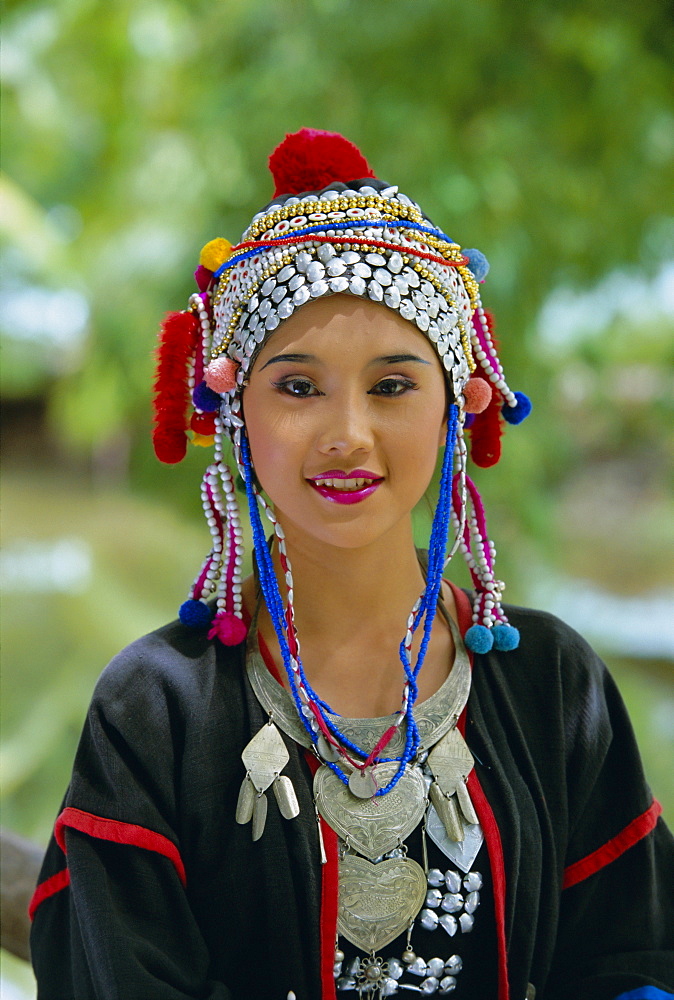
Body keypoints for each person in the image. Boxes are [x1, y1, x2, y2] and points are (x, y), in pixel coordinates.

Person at [29, 129, 674, 1000]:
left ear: (456, 407)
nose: (348, 435)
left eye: (393, 385)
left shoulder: (556, 683)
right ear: (234, 414)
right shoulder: (153, 711)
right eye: (298, 387)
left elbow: (633, 958)